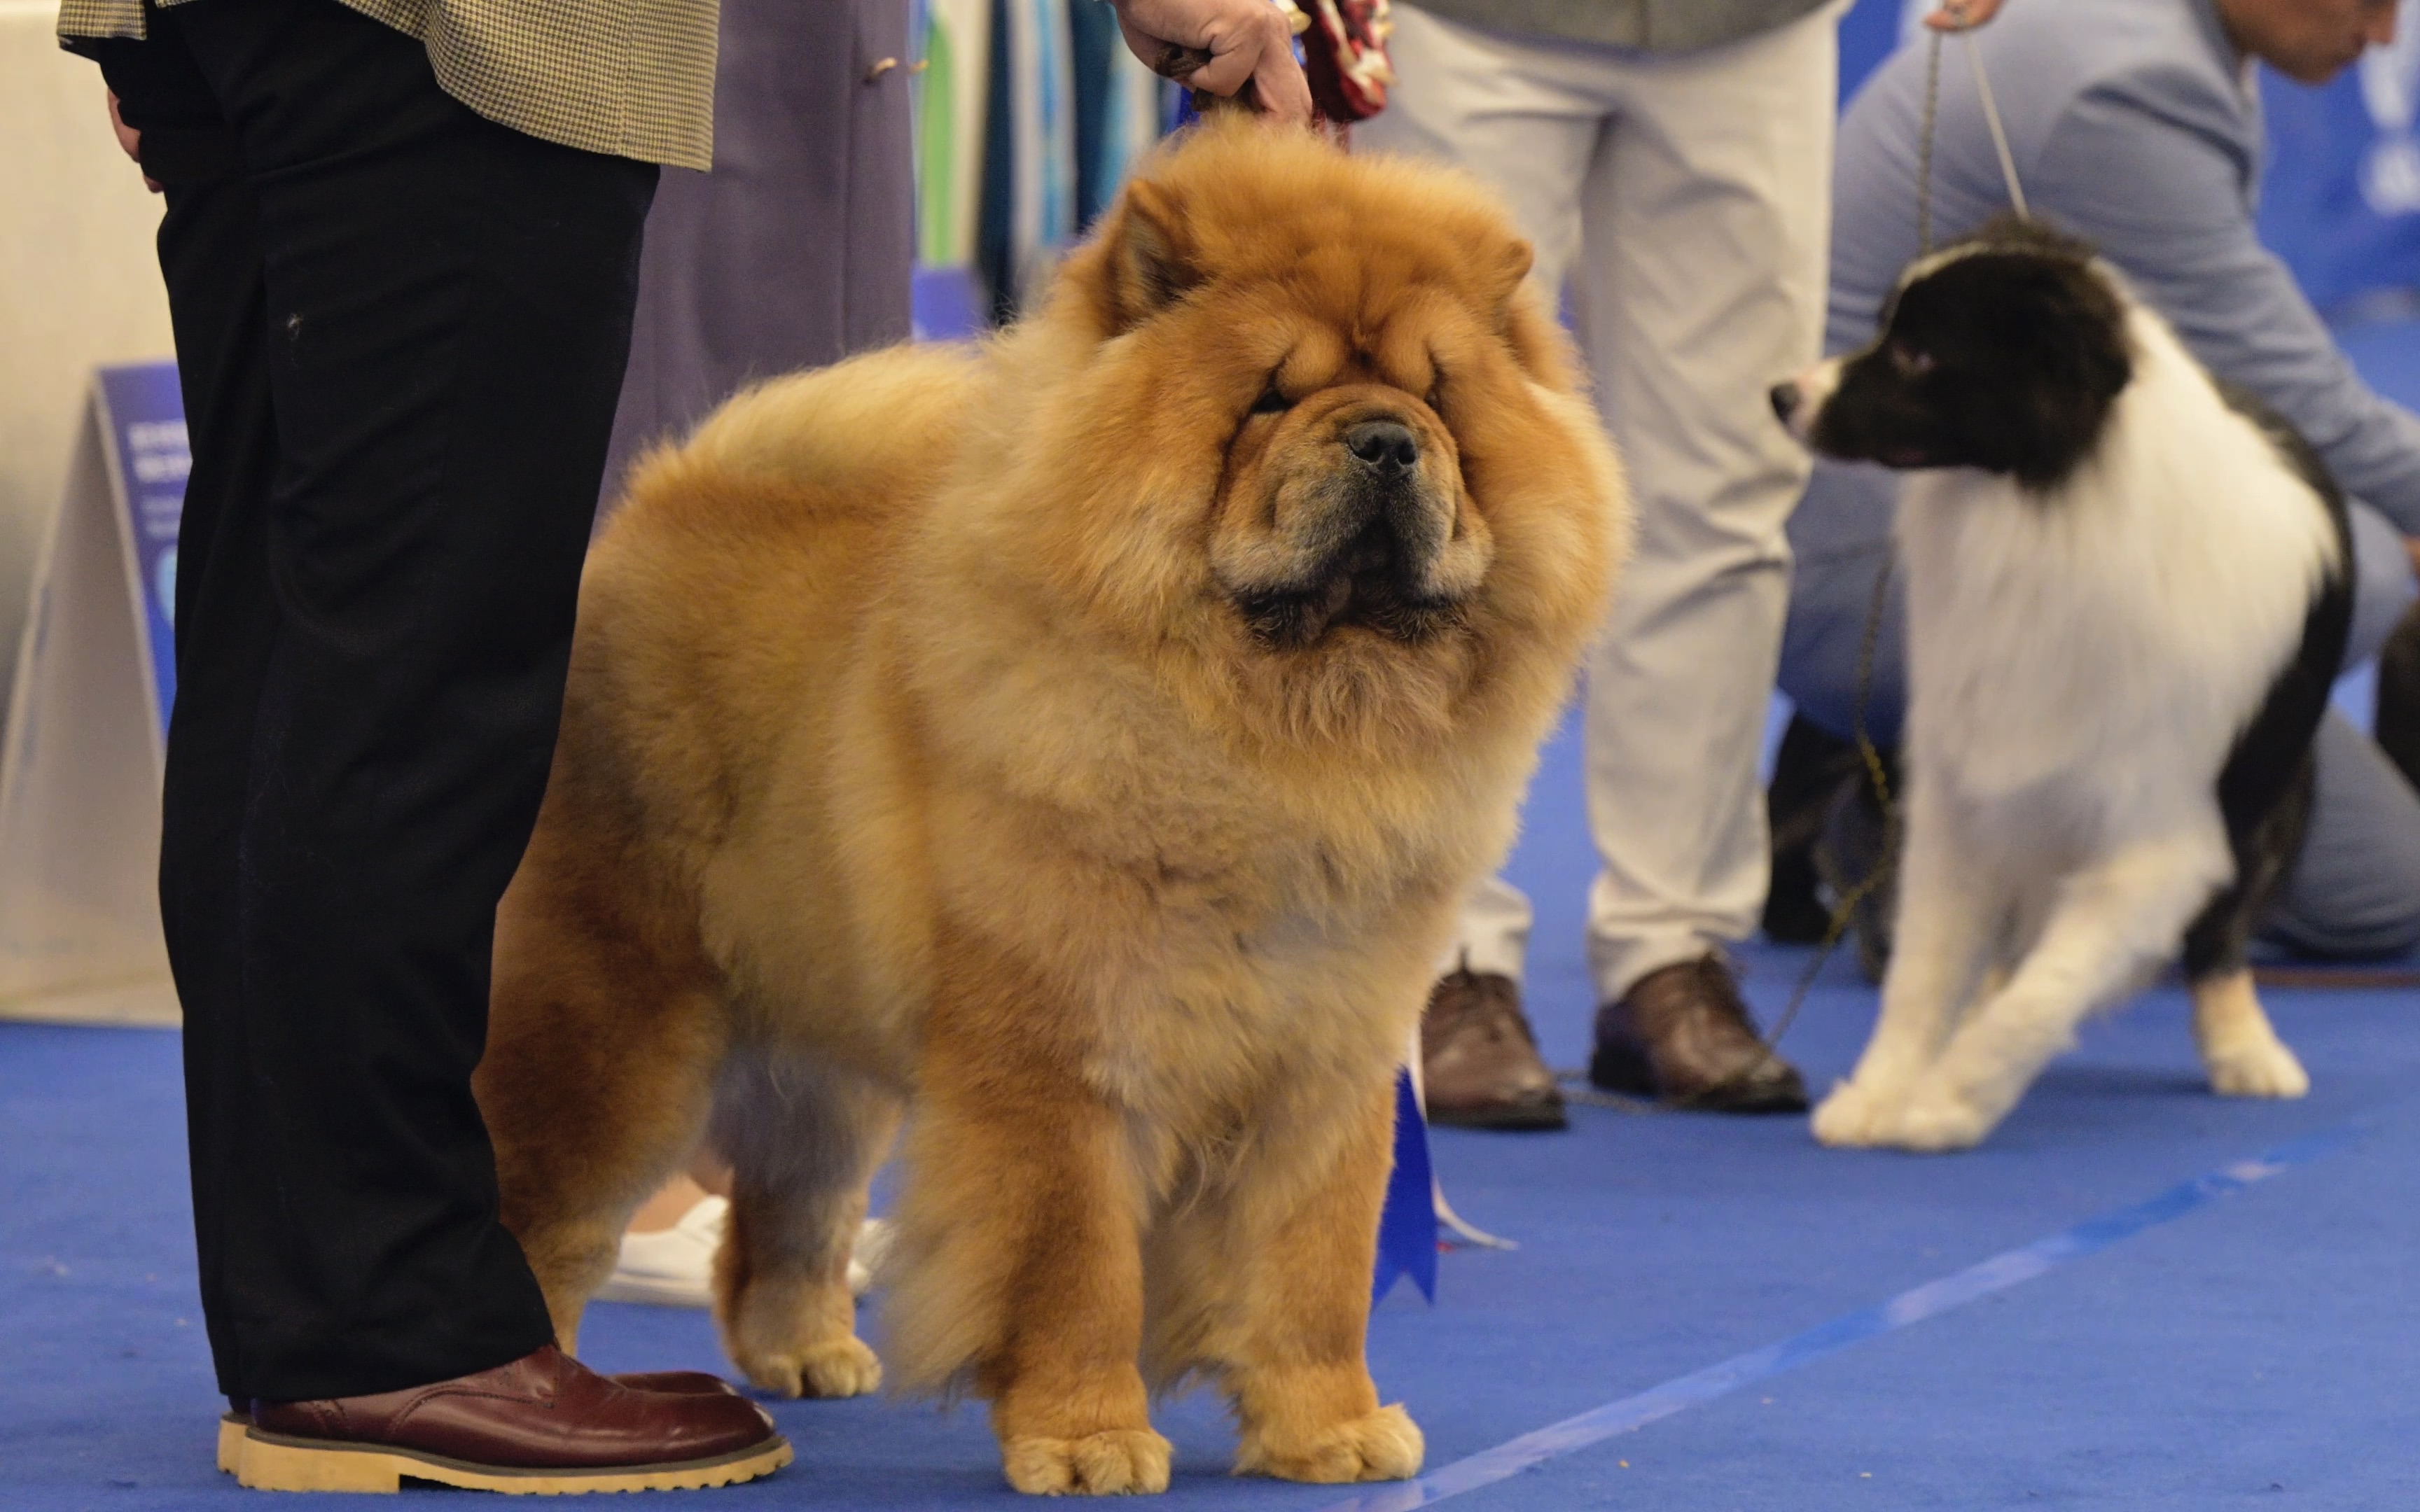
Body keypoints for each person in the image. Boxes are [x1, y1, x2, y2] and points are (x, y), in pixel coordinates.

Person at [67, 0, 1308, 1488]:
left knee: (288, 649)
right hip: (470, 43)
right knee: (417, 668)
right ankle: (390, 1339)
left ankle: (317, 1334)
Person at [1360, 0, 2001, 1128]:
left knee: (1728, 489)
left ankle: (1675, 945)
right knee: (1436, 471)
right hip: (1459, 21)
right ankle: (1438, 953)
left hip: (1749, 24)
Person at [1774, 0, 2420, 970]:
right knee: (2358, 562)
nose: (2383, 38)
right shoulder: (2125, 85)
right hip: (1869, 578)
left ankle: (1890, 776)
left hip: (2009, 545)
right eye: (2368, 2)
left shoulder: (2159, 34)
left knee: (2390, 894)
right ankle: (1892, 788)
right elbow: (2309, 408)